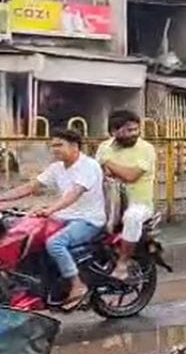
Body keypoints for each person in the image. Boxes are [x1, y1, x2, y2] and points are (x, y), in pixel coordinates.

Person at [0, 128, 105, 309]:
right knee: (27, 235)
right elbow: (31, 186)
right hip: (63, 216)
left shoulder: (88, 166)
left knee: (55, 243)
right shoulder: (56, 168)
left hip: (88, 219)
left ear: (74, 146)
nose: (55, 149)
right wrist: (2, 198)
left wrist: (49, 210)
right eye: (53, 146)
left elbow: (73, 194)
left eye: (59, 145)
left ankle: (77, 285)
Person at [96, 110, 157, 279]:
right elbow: (100, 173)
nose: (134, 134)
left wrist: (109, 163)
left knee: (132, 218)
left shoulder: (146, 149)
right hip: (109, 202)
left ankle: (123, 263)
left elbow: (131, 176)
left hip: (139, 203)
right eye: (129, 130)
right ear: (114, 132)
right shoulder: (104, 147)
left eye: (136, 130)